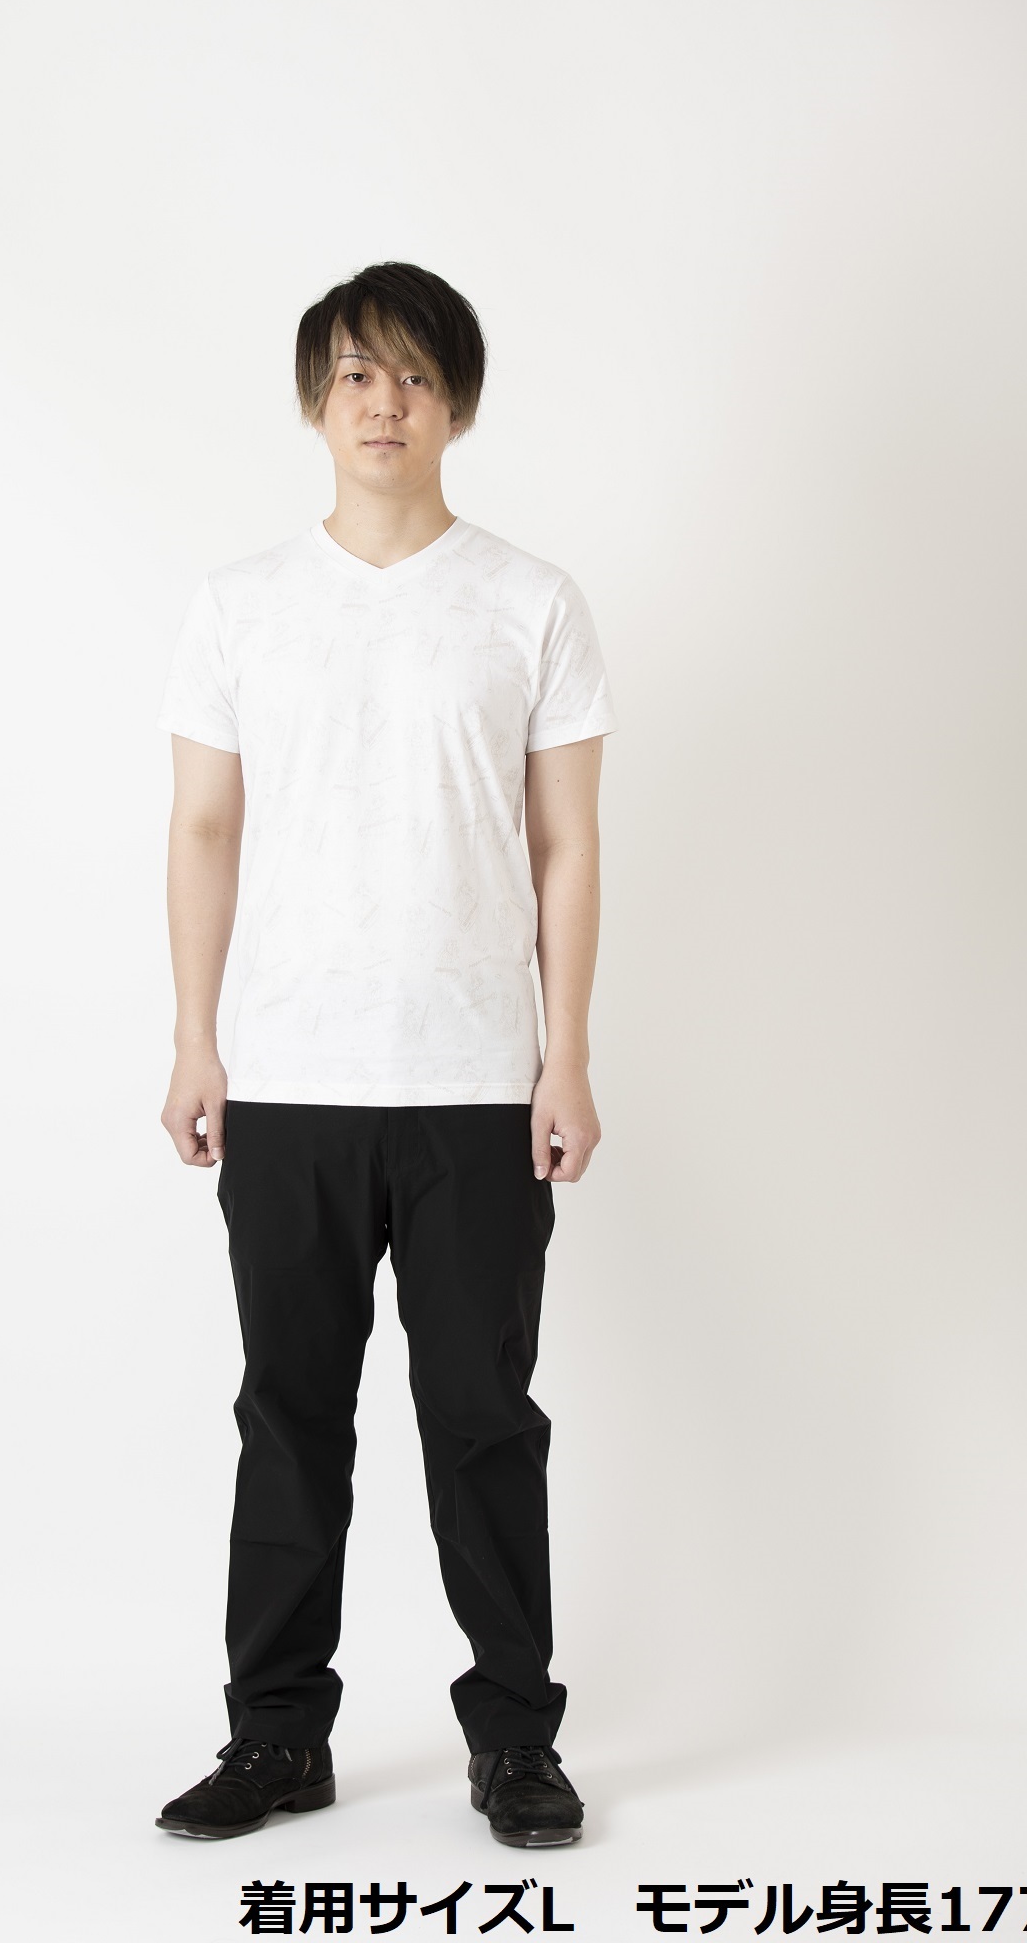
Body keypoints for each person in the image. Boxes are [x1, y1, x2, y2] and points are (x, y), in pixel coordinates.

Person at [152, 261, 615, 1848]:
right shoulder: (239, 604)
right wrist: (194, 1039)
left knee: (482, 1420)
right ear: (314, 400)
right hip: (287, 1079)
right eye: (355, 373)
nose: (383, 403)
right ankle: (275, 1737)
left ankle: (515, 1741)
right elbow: (202, 827)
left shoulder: (529, 601)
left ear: (457, 407)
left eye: (415, 376)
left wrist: (564, 1055)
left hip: (477, 1082)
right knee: (288, 1415)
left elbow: (565, 844)